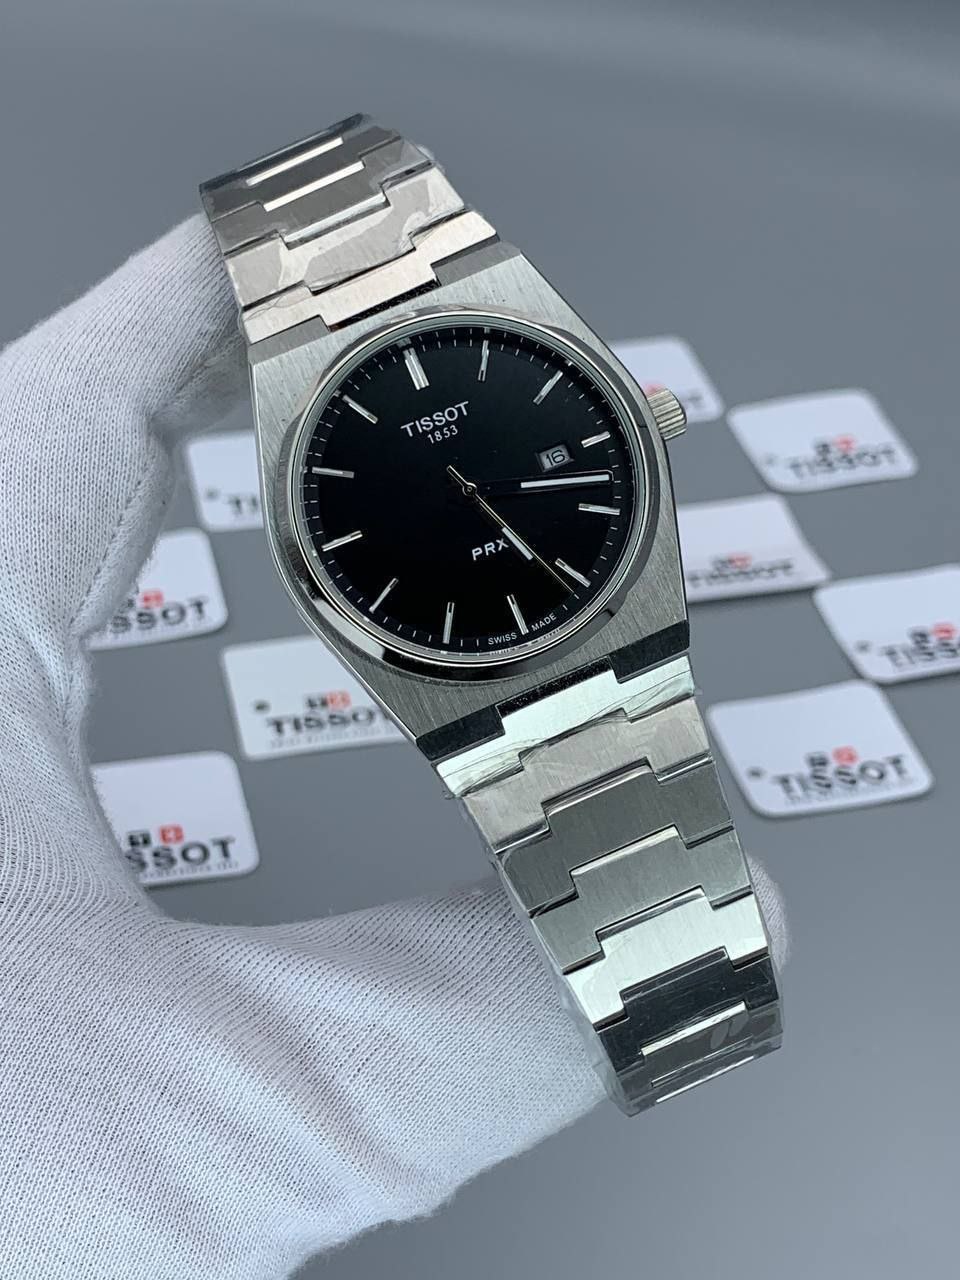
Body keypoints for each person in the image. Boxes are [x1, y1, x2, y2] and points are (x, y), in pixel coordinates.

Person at [0, 215, 787, 1278]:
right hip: (463, 656)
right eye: (442, 492)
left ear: (640, 429)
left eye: (483, 476)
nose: (468, 490)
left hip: (598, 607)